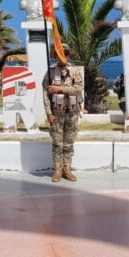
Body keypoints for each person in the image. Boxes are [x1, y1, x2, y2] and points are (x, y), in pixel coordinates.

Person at [43, 45, 84, 182]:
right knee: (57, 144)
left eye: (66, 53)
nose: (63, 56)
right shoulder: (50, 72)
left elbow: (78, 88)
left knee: (69, 143)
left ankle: (67, 169)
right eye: (60, 53)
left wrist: (59, 88)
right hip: (57, 113)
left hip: (72, 113)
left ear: (69, 55)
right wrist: (49, 113)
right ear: (55, 55)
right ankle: (58, 170)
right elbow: (45, 95)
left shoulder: (74, 71)